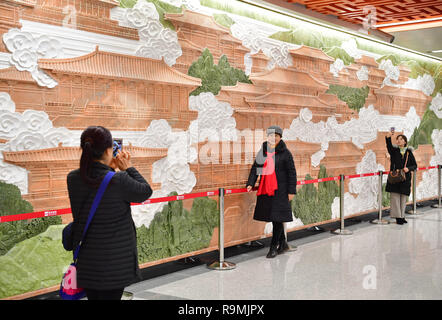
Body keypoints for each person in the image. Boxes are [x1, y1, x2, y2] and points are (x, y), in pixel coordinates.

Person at [67, 126, 152, 300]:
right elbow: (145, 191)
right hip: (114, 264)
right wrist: (127, 168)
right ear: (108, 150)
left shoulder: (73, 178)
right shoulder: (118, 180)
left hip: (87, 261)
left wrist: (110, 170)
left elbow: (99, 189)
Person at [246, 125, 297, 258]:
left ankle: (273, 247)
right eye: (270, 136)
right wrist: (251, 183)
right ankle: (283, 243)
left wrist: (291, 191)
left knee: (277, 218)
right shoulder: (263, 152)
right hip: (266, 189)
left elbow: (292, 173)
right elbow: (255, 168)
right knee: (275, 218)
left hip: (281, 190)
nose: (273, 138)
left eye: (276, 136)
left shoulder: (286, 153)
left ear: (280, 137)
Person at [385, 129, 417, 225]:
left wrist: (408, 168)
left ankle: (402, 216)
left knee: (403, 198)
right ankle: (398, 218)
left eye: (401, 139)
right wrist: (388, 137)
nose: (398, 141)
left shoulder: (409, 153)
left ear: (405, 142)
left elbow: (415, 165)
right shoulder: (394, 151)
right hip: (395, 178)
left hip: (405, 178)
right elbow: (389, 146)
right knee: (395, 198)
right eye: (397, 139)